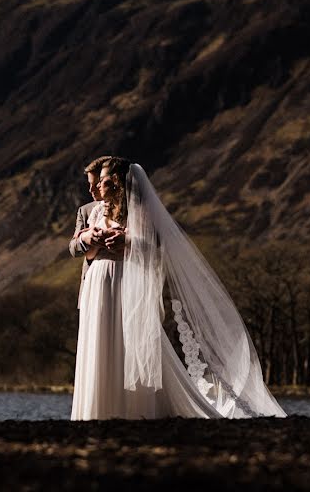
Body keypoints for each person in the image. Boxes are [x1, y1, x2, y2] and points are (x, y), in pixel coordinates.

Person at [70, 158, 286, 420]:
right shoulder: (93, 211)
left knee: (126, 344)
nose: (97, 188)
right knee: (99, 344)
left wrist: (128, 242)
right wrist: (88, 238)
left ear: (117, 182)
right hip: (97, 285)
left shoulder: (140, 210)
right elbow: (84, 250)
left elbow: (158, 246)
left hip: (125, 282)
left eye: (103, 181)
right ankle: (97, 410)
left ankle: (134, 408)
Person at [69, 156, 112, 310]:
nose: (91, 190)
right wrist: (85, 239)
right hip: (92, 289)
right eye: (89, 184)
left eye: (96, 184)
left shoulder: (133, 207)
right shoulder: (85, 211)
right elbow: (73, 248)